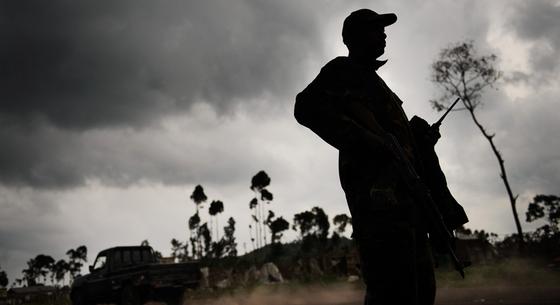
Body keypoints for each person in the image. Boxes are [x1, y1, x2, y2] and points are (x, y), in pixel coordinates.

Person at [294, 9, 450, 305]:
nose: (384, 34)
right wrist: (367, 142)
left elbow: (398, 146)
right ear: (354, 37)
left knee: (420, 290)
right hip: (380, 206)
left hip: (407, 204)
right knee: (391, 291)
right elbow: (305, 108)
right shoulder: (342, 71)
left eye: (384, 29)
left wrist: (420, 143)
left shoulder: (378, 85)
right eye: (375, 29)